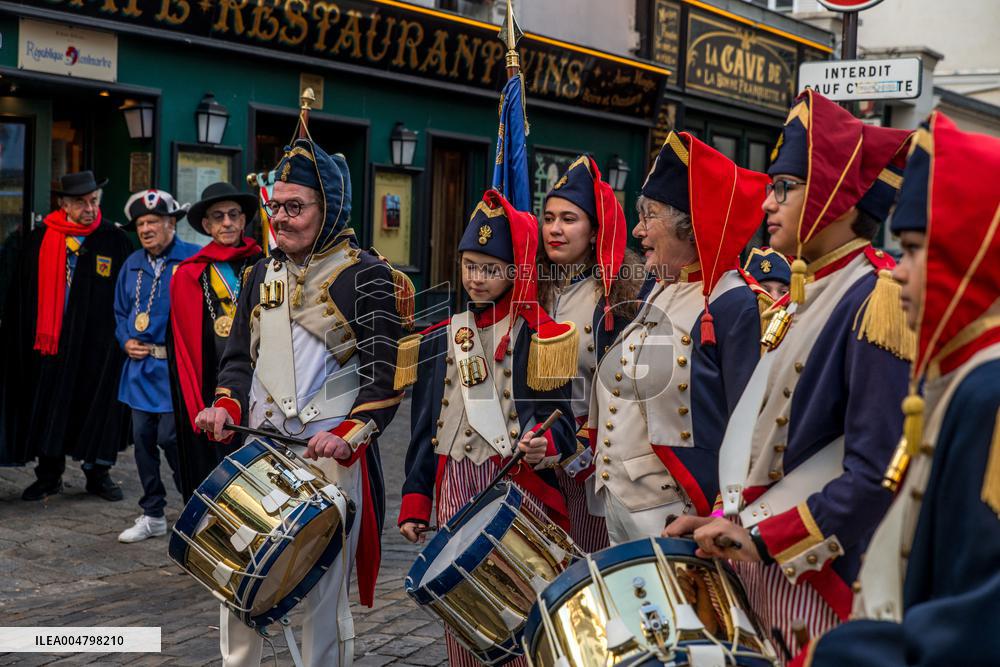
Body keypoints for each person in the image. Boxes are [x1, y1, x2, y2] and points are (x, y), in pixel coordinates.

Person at [665, 90, 913, 661]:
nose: (768, 204)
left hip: (818, 580)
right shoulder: (810, 294)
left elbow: (877, 473)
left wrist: (766, 538)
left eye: (785, 187)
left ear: (836, 196)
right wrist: (726, 521)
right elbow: (772, 452)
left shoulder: (874, 299)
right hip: (767, 566)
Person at [794, 113, 1000, 666]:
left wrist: (838, 654)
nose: (899, 272)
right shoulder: (964, 375)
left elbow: (979, 613)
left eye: (913, 249)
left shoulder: (990, 390)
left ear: (967, 252)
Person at [195, 138, 408, 666]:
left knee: (320, 602)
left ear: (328, 208)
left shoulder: (370, 276)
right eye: (275, 205)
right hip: (257, 457)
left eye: (295, 207)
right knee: (236, 582)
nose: (280, 218)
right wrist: (227, 405)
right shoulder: (256, 275)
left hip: (327, 460)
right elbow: (238, 362)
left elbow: (385, 380)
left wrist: (347, 436)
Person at [397, 188, 580, 667]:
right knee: (462, 617)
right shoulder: (441, 337)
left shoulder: (540, 336)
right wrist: (417, 500)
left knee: (522, 613)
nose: (476, 278)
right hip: (455, 487)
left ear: (515, 271)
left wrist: (544, 444)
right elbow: (424, 430)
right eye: (469, 265)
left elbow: (563, 424)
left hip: (516, 491)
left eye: (490, 268)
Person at [589, 131, 769, 545]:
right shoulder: (660, 287)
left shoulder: (734, 304)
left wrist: (724, 511)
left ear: (690, 226)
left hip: (679, 514)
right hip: (619, 504)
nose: (638, 230)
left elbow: (751, 429)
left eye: (650, 216)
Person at [1, 171, 132, 501]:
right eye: (80, 202)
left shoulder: (113, 239)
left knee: (93, 408)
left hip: (96, 346)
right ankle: (49, 476)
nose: (89, 208)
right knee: (48, 407)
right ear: (63, 203)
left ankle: (97, 474)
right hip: (48, 343)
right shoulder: (37, 238)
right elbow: (19, 291)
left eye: (93, 201)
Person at [537, 154, 645, 552]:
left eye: (569, 219)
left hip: (589, 463)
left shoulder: (619, 299)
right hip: (533, 461)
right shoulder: (533, 289)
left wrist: (578, 449)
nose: (555, 229)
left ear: (595, 230)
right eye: (548, 218)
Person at [168, 182, 262, 500]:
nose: (226, 222)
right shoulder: (191, 273)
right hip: (211, 375)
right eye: (218, 216)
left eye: (233, 215)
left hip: (259, 373)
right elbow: (181, 343)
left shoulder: (264, 264)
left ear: (244, 220)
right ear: (207, 225)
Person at [114, 190, 198, 542]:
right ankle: (152, 514)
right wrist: (125, 339)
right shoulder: (132, 262)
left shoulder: (193, 259)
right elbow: (120, 311)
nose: (146, 229)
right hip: (138, 373)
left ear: (171, 223)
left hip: (175, 373)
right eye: (141, 224)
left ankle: (196, 511)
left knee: (171, 439)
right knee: (143, 440)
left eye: (153, 222)